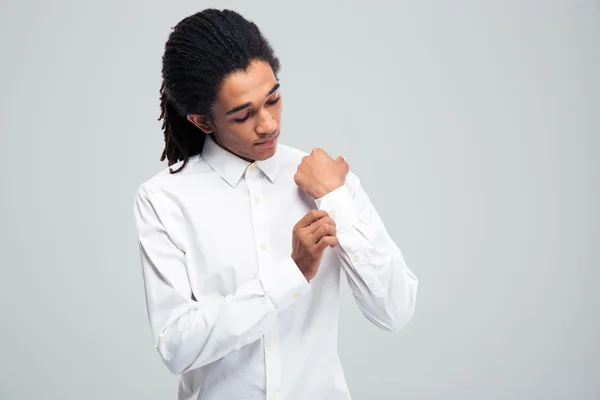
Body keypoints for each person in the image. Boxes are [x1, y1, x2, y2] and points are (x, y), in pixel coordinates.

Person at [133, 8, 418, 400]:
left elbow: (395, 310)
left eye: (274, 99)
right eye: (244, 114)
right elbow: (177, 346)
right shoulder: (164, 200)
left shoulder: (325, 179)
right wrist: (292, 273)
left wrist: (337, 200)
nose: (268, 124)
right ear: (202, 121)